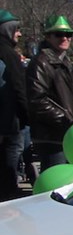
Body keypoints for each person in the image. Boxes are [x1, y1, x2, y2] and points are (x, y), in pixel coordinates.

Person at [25, 15, 73, 169]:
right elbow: (36, 100)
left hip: (65, 135)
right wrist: (65, 118)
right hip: (51, 137)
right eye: (58, 34)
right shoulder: (41, 62)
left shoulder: (65, 61)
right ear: (47, 37)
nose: (65, 38)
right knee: (54, 184)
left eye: (68, 34)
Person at [0, 10, 29, 199]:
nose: (19, 34)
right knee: (11, 159)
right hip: (9, 122)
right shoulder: (7, 55)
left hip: (9, 120)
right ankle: (8, 193)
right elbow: (19, 87)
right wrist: (27, 114)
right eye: (16, 29)